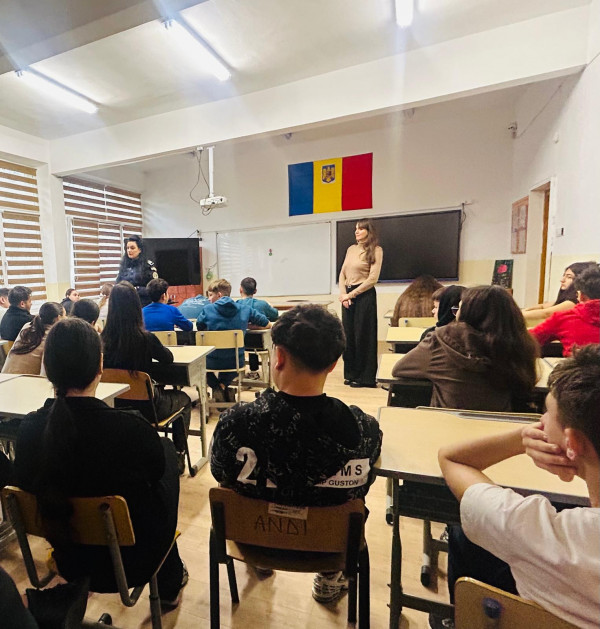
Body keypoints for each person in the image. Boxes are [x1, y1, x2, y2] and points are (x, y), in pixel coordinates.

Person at [210, 304, 382, 603]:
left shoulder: (235, 423)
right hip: (330, 545)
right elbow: (364, 484)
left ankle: (262, 561)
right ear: (333, 364)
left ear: (279, 357)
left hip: (253, 537)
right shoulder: (364, 429)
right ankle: (329, 577)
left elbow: (220, 473)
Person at [13, 318, 188, 609]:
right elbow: (157, 473)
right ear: (100, 366)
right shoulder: (130, 430)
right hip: (133, 563)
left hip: (68, 556)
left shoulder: (29, 431)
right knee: (165, 457)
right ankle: (170, 582)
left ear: (48, 370)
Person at [436, 344, 600, 629]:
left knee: (463, 535)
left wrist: (522, 439)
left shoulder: (538, 532)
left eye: (546, 413)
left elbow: (452, 459)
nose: (541, 421)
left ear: (572, 442)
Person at [392, 285, 538, 411]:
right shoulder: (521, 345)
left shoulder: (440, 340)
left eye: (459, 308)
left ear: (469, 313)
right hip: (502, 428)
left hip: (446, 425)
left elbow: (400, 369)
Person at [101, 282, 192, 471]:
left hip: (115, 407)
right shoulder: (145, 338)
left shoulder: (102, 341)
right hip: (147, 408)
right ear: (136, 308)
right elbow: (168, 358)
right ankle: (178, 454)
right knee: (184, 399)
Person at [196, 279, 269, 402]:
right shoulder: (245, 309)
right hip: (236, 362)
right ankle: (223, 386)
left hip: (211, 361)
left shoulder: (207, 310)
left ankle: (216, 387)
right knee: (231, 361)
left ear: (219, 295)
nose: (208, 299)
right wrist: (246, 325)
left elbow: (199, 327)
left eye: (210, 295)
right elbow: (266, 323)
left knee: (199, 367)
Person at [338, 219, 383, 388]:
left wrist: (351, 295)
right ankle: (351, 374)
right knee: (348, 336)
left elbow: (372, 279)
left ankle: (365, 378)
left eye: (360, 229)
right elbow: (342, 273)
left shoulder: (376, 250)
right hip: (348, 296)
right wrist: (344, 295)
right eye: (356, 229)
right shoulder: (351, 249)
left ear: (368, 231)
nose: (356, 231)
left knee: (363, 336)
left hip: (364, 295)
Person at [530, 265, 600, 356]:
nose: (562, 280)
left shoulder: (564, 318)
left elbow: (527, 340)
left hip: (579, 365)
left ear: (580, 296)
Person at [2, 302, 64, 374]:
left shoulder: (27, 327)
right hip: (26, 379)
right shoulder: (53, 336)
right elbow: (46, 372)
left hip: (5, 376)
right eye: (65, 315)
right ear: (58, 318)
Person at [522, 261, 596, 321]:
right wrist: (524, 311)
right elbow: (542, 306)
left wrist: (518, 315)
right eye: (564, 275)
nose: (562, 280)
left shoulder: (573, 302)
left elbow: (546, 313)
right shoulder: (566, 299)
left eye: (569, 277)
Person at [238, 277, 279, 376]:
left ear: (240, 290)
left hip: (241, 342)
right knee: (258, 337)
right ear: (255, 291)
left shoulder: (236, 305)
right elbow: (275, 315)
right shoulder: (263, 304)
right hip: (260, 342)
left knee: (249, 336)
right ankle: (258, 371)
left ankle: (253, 370)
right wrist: (271, 307)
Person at [115, 235, 158, 306]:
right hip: (126, 303)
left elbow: (154, 289)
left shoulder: (148, 266)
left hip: (142, 303)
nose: (129, 250)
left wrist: (137, 289)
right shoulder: (124, 265)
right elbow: (117, 284)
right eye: (127, 248)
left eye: (132, 248)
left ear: (140, 250)